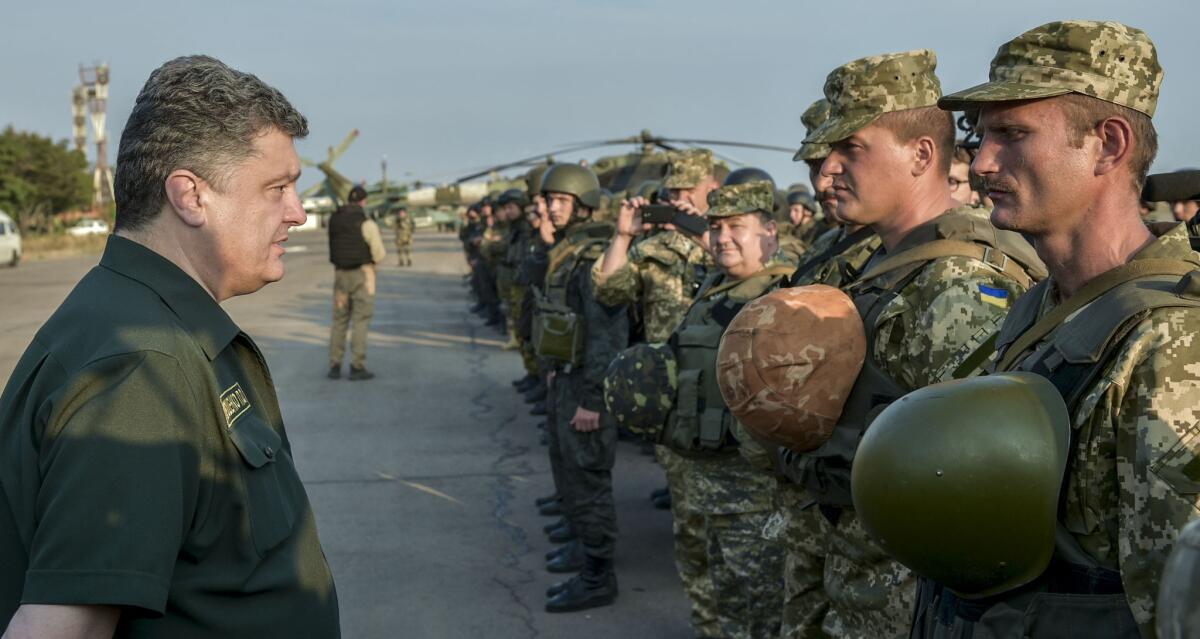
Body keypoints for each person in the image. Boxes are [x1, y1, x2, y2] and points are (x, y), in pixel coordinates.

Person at [0, 55, 339, 638]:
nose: (298, 213)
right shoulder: (139, 366)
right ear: (190, 196)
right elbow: (60, 627)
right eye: (277, 188)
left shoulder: (150, 325)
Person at [901, 20, 1200, 638]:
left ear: (1108, 146)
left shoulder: (1171, 339)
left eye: (1012, 134)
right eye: (981, 136)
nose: (982, 162)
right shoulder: (1040, 305)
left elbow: (1177, 602)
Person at [781, 48, 1044, 638]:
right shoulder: (872, 261)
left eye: (851, 149)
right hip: (848, 560)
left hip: (904, 588)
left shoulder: (959, 283)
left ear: (922, 154)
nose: (827, 172)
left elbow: (973, 478)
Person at [591, 148, 718, 637]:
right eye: (672, 193)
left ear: (712, 190)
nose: (680, 200)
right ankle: (708, 623)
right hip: (675, 400)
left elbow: (772, 280)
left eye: (690, 191)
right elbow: (608, 291)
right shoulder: (652, 251)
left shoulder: (734, 241)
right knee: (690, 521)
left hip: (732, 396)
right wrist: (623, 236)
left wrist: (704, 233)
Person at [667, 179, 794, 638]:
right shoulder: (714, 288)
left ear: (769, 231)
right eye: (716, 227)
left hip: (755, 494)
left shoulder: (787, 293)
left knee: (760, 609)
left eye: (736, 226)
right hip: (708, 484)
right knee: (728, 604)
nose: (723, 238)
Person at [534, 163, 628, 613]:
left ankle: (598, 575)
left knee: (589, 480)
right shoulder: (568, 251)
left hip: (587, 386)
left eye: (559, 200)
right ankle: (580, 546)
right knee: (567, 467)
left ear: (583, 205)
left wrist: (594, 399)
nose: (550, 207)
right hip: (566, 377)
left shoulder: (593, 258)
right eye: (549, 198)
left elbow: (607, 334)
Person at [327, 184, 386, 380]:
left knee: (339, 320)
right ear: (363, 201)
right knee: (360, 320)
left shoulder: (334, 220)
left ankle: (335, 365)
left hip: (340, 274)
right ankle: (357, 366)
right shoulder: (366, 223)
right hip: (363, 274)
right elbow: (379, 253)